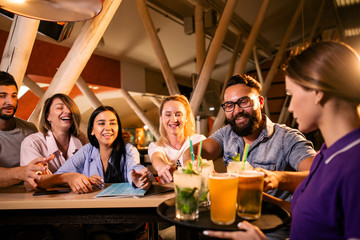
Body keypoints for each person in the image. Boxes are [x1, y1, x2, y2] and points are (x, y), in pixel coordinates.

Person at [204, 41, 360, 240]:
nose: (291, 106)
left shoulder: (354, 166)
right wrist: (264, 199)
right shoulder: (327, 156)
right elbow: (312, 216)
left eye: (291, 95)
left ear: (317, 91)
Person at [185, 74, 316, 201]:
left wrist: (277, 178)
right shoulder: (227, 133)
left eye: (243, 101)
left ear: (260, 102)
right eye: (229, 105)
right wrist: (193, 163)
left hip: (273, 218)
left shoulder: (287, 138)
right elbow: (195, 151)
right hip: (234, 214)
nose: (237, 111)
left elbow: (318, 174)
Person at [34, 106, 153, 193]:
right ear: (92, 130)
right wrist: (82, 180)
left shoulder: (128, 149)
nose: (108, 128)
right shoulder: (87, 150)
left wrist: (138, 177)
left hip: (124, 216)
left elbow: (135, 167)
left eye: (113, 123)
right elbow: (56, 177)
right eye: (101, 123)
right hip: (93, 215)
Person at [0, 71, 50, 188]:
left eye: (14, 95)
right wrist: (22, 172)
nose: (10, 102)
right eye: (2, 96)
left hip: (29, 198)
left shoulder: (30, 129)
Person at [20, 94, 84, 186]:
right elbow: (35, 180)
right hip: (42, 200)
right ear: (47, 116)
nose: (68, 111)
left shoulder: (83, 142)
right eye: (59, 108)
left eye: (70, 108)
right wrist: (68, 177)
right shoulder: (32, 143)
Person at [148, 95, 206, 183]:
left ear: (186, 117)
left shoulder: (199, 140)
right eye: (168, 115)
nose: (174, 119)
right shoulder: (156, 146)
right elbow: (156, 157)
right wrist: (161, 167)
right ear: (162, 118)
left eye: (178, 114)